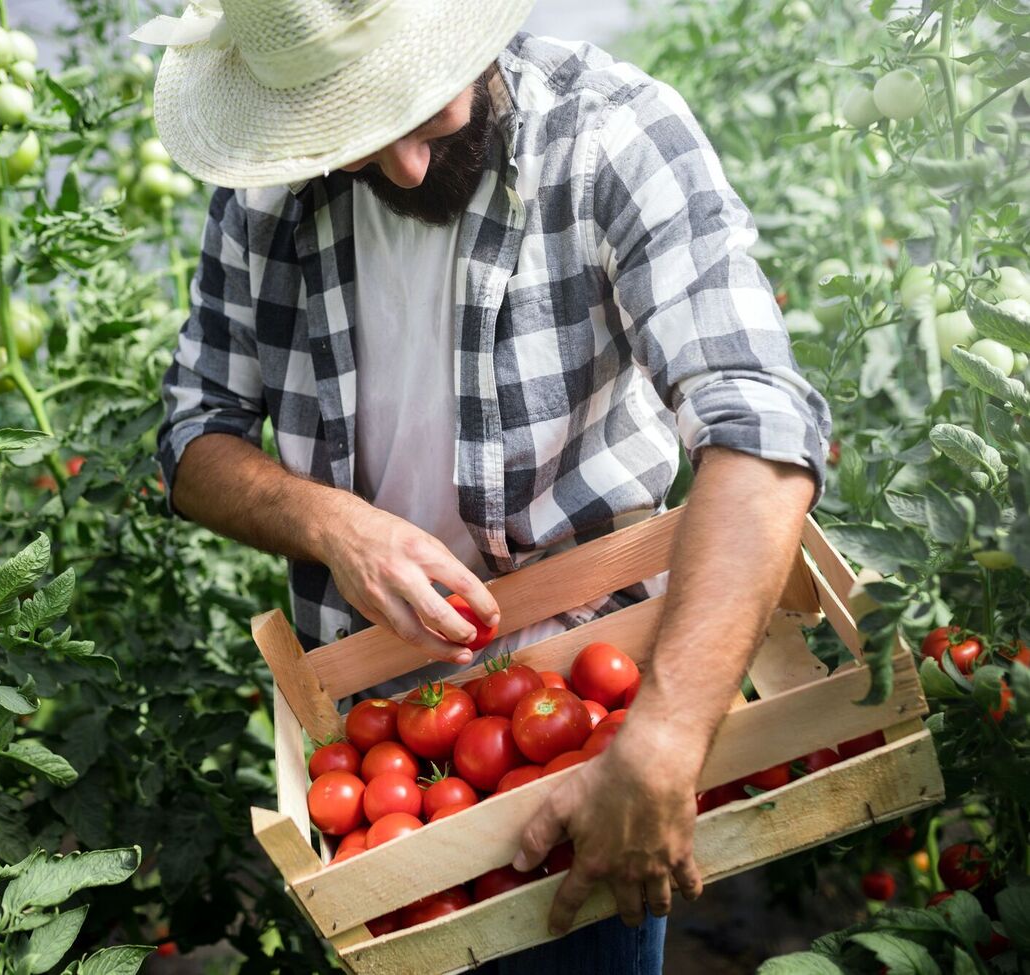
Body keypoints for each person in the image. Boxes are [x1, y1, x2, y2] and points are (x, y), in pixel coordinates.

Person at [140, 0, 831, 970]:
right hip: (378, 743)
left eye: (421, 113)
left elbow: (758, 430)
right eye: (356, 139)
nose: (405, 167)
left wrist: (664, 741)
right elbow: (190, 437)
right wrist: (333, 524)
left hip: (589, 727)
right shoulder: (268, 192)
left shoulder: (609, 136)